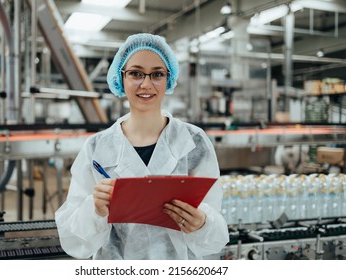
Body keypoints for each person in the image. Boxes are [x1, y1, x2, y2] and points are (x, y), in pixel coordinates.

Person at [55, 33, 229, 260]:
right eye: (136, 73)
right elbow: (74, 241)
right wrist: (95, 210)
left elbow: (216, 236)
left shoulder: (194, 142)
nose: (146, 84)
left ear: (168, 78)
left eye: (157, 74)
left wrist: (202, 223)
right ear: (121, 78)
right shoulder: (97, 148)